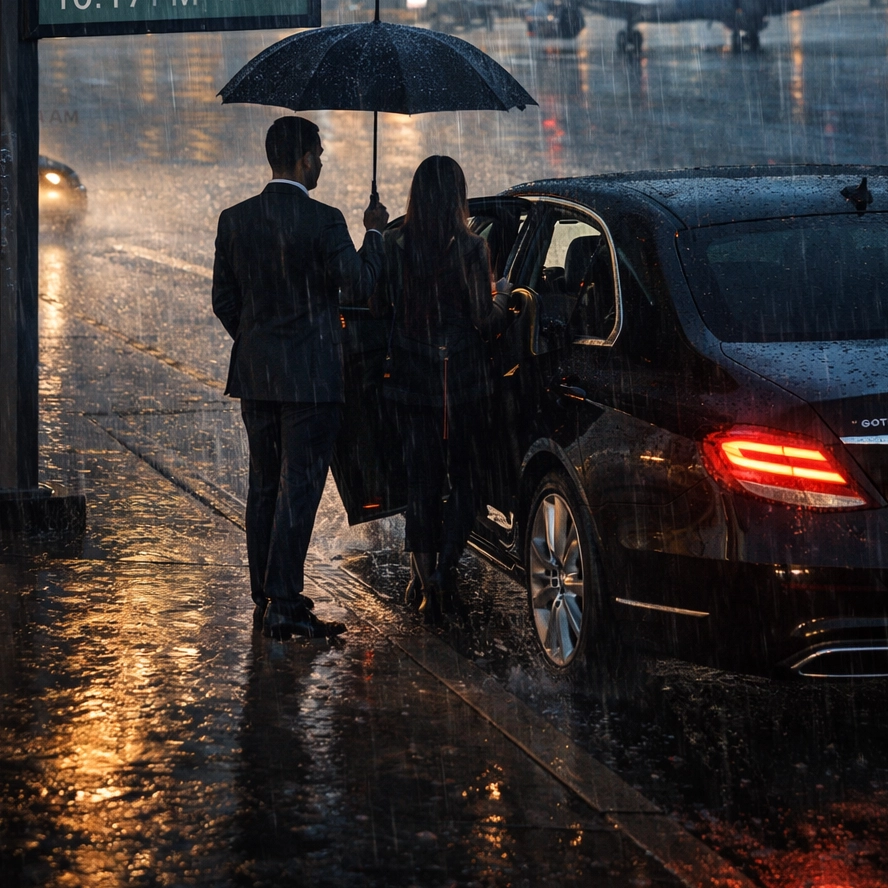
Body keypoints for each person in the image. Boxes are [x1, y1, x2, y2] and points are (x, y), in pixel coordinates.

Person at [213, 116, 389, 640]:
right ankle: (285, 603)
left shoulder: (235, 219)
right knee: (299, 490)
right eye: (319, 152)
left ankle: (267, 592)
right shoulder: (325, 221)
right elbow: (358, 285)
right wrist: (375, 234)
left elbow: (225, 301)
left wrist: (260, 342)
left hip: (257, 376)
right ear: (302, 158)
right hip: (312, 380)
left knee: (265, 485)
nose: (321, 162)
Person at [371, 156, 510, 623]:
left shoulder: (394, 243)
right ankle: (444, 572)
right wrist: (506, 295)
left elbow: (378, 305)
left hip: (409, 386)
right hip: (463, 387)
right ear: (457, 196)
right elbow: (483, 320)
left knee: (421, 486)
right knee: (468, 484)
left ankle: (422, 576)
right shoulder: (471, 248)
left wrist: (372, 230)